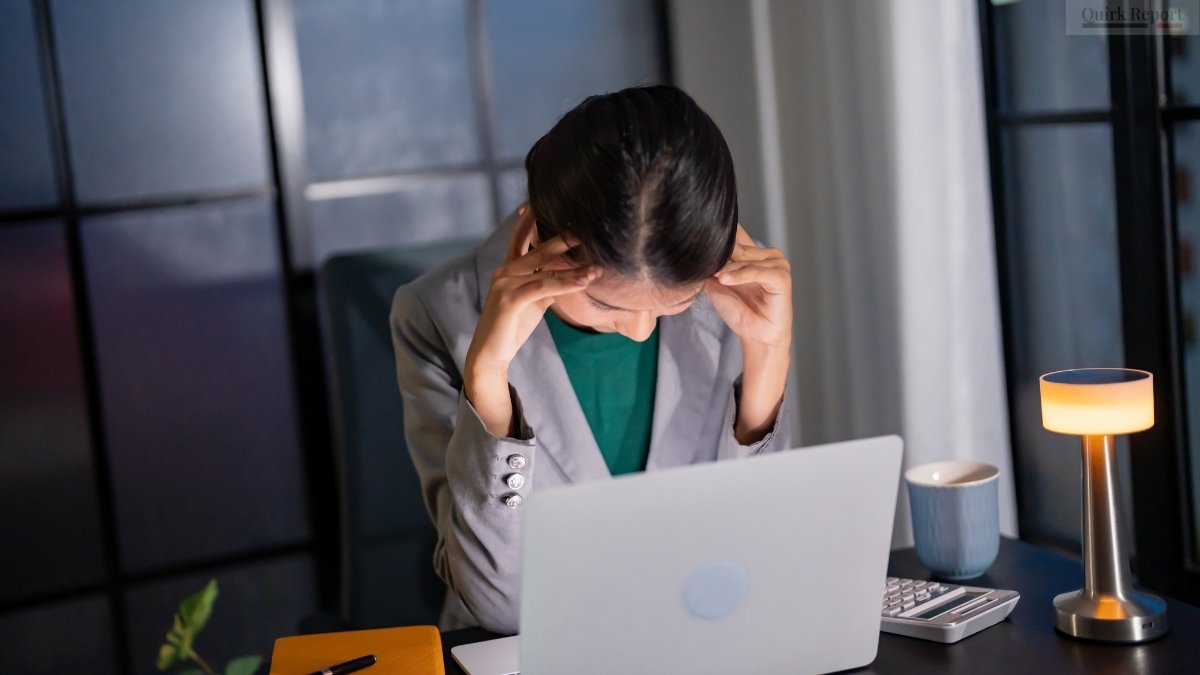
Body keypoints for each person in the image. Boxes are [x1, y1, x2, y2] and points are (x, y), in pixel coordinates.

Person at [390, 84, 794, 635]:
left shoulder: (727, 296)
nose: (640, 329)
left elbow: (768, 561)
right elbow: (499, 609)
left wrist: (768, 355)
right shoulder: (436, 315)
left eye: (675, 302)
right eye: (607, 304)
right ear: (536, 241)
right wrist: (487, 380)